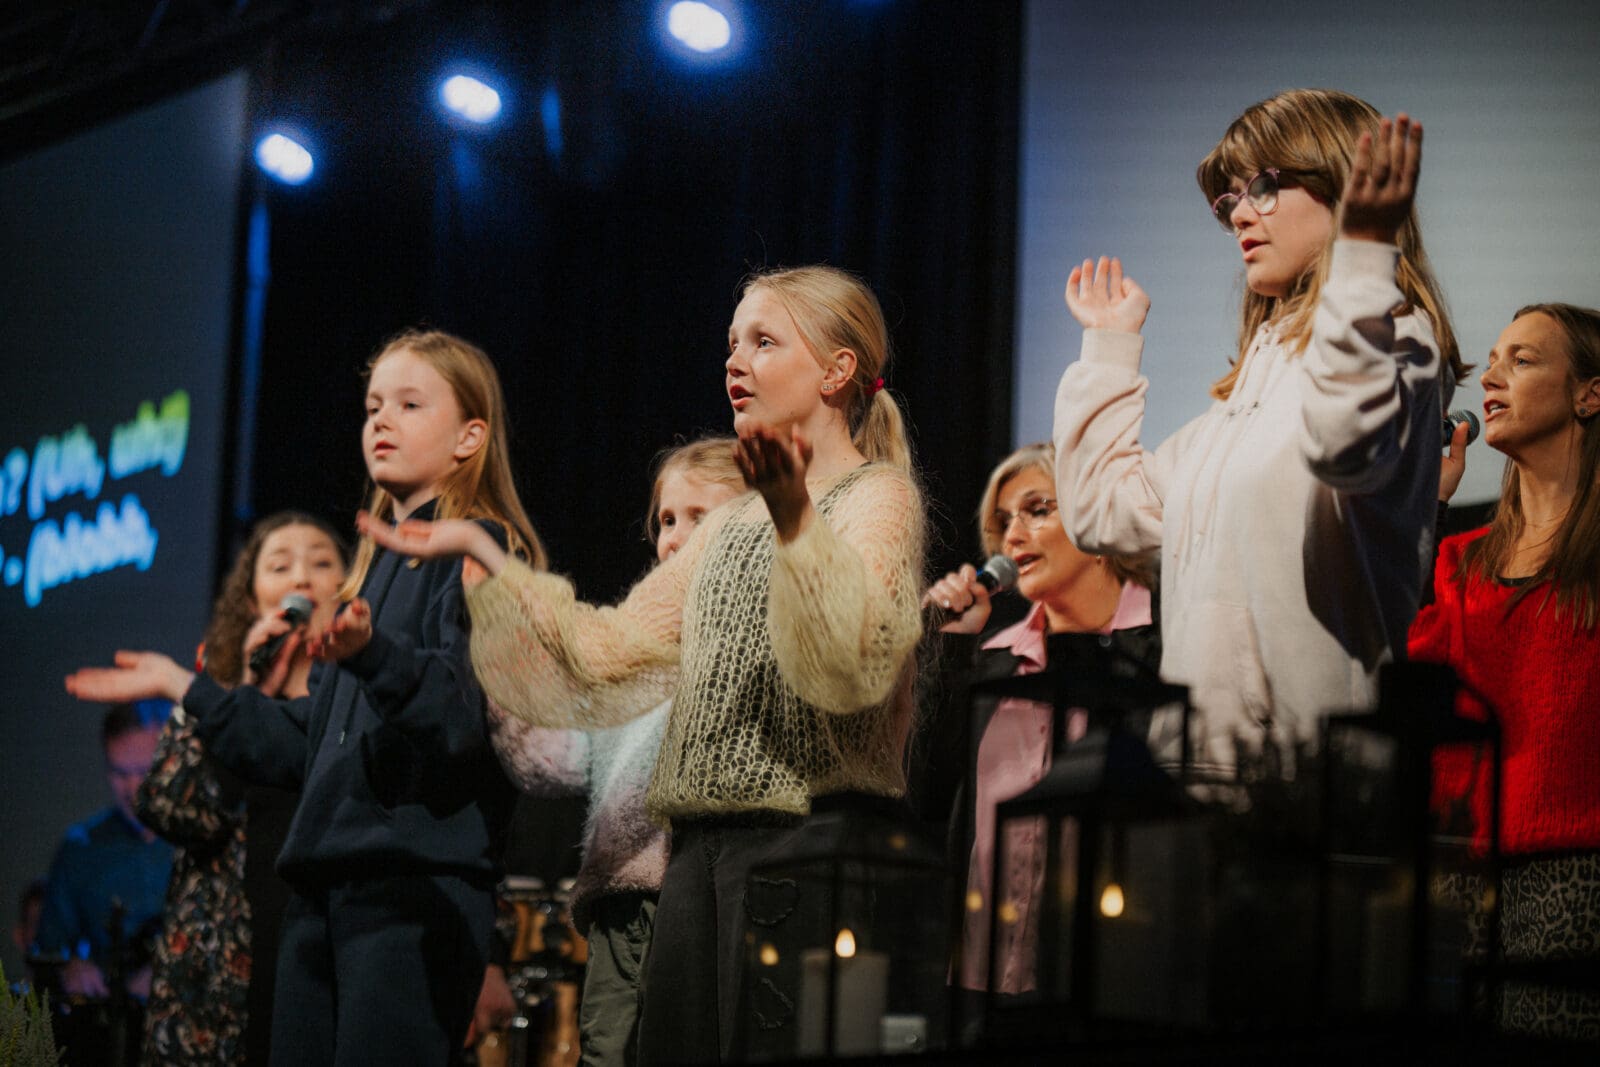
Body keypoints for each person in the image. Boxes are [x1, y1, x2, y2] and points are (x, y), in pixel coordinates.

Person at [359, 265, 926, 1064]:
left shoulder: (876, 497)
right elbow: (606, 651)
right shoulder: (727, 527)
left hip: (803, 846)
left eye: (763, 342)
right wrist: (487, 558)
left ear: (837, 371)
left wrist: (796, 517)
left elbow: (853, 660)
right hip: (696, 859)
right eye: (731, 343)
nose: (735, 361)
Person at [66, 328, 541, 1065]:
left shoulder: (482, 551)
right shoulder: (368, 576)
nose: (381, 421)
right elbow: (303, 742)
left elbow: (460, 719)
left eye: (409, 404)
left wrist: (371, 654)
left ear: (469, 437)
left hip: (408, 893)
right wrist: (183, 685)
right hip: (321, 894)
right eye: (373, 406)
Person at [1053, 89, 1467, 776]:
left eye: (1265, 188)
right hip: (1198, 771)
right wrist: (1108, 349)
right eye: (1230, 203)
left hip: (1311, 782)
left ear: (1344, 185)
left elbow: (1343, 448)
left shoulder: (1399, 340)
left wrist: (1363, 262)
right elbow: (1104, 512)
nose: (1240, 214)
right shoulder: (1242, 403)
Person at [488, 435, 744, 1066]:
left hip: (707, 897)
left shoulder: (747, 640)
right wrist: (507, 666)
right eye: (666, 520)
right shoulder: (631, 652)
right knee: (608, 1052)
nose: (675, 539)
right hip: (623, 903)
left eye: (699, 517)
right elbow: (555, 758)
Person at [1409, 302, 1600, 1041]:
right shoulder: (1460, 559)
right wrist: (1425, 506)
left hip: (1577, 873)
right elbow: (1411, 686)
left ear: (1589, 393)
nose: (1490, 377)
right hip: (1458, 875)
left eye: (1522, 360)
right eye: (1492, 361)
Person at [923, 442, 1158, 997]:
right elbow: (931, 800)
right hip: (982, 985)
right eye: (1004, 521)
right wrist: (951, 649)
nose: (1012, 537)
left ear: (1097, 519)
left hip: (1110, 978)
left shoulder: (1162, 650)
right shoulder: (991, 660)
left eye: (1036, 510)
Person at [135, 510, 348, 1065]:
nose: (301, 578)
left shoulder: (359, 702)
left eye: (321, 563)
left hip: (327, 958)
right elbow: (168, 806)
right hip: (221, 974)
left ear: (347, 589)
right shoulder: (217, 692)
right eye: (280, 567)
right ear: (253, 600)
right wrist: (245, 689)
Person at [34, 702, 173, 1003]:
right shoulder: (80, 848)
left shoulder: (202, 839)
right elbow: (47, 951)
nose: (132, 788)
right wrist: (70, 969)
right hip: (109, 1018)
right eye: (119, 773)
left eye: (143, 771)